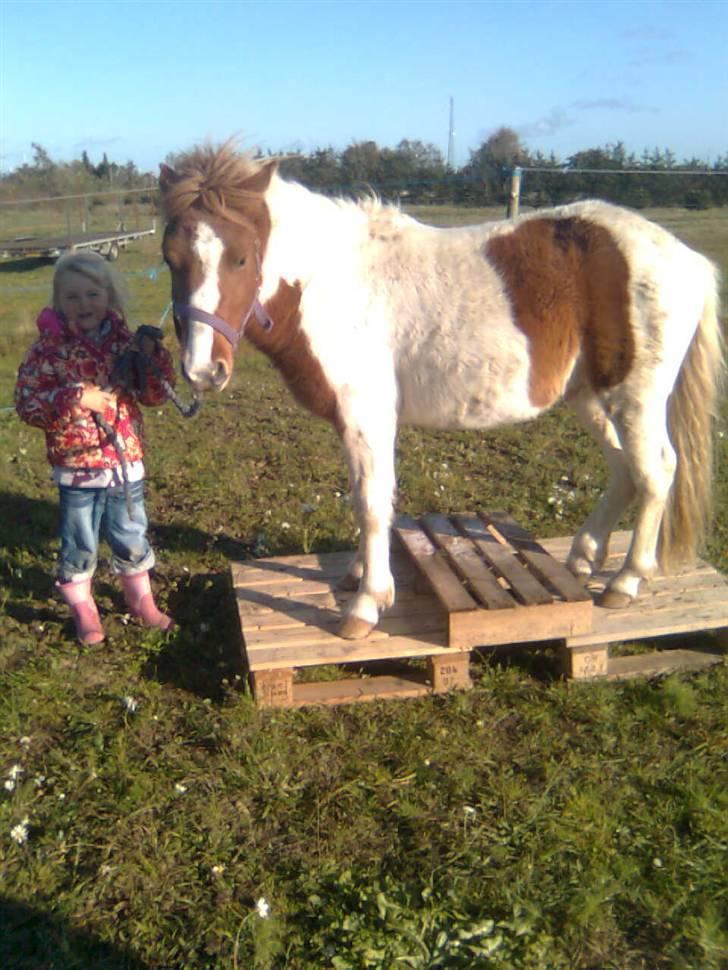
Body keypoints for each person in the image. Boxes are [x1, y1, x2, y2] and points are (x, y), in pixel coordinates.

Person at [15, 251, 176, 644]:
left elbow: (153, 396)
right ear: (58, 301)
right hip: (77, 466)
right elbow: (27, 404)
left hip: (124, 463)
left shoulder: (125, 344)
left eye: (91, 294)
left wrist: (155, 362)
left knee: (130, 533)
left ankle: (140, 598)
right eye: (72, 297)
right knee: (80, 541)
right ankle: (83, 606)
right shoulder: (47, 351)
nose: (83, 304)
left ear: (108, 296)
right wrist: (74, 399)